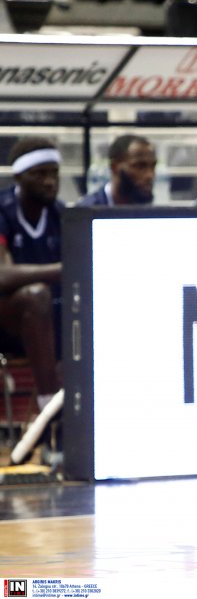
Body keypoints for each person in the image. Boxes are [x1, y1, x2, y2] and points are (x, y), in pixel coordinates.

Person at [0, 138, 64, 465]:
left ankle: (70, 423)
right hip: (6, 321)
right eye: (40, 174)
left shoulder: (61, 214)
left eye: (54, 173)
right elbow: (2, 275)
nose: (50, 181)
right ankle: (52, 416)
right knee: (36, 296)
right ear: (19, 177)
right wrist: (62, 270)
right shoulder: (2, 211)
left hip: (47, 325)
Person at [78, 134, 157, 206]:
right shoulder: (86, 211)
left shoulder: (154, 213)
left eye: (153, 166)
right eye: (140, 166)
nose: (150, 175)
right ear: (114, 167)